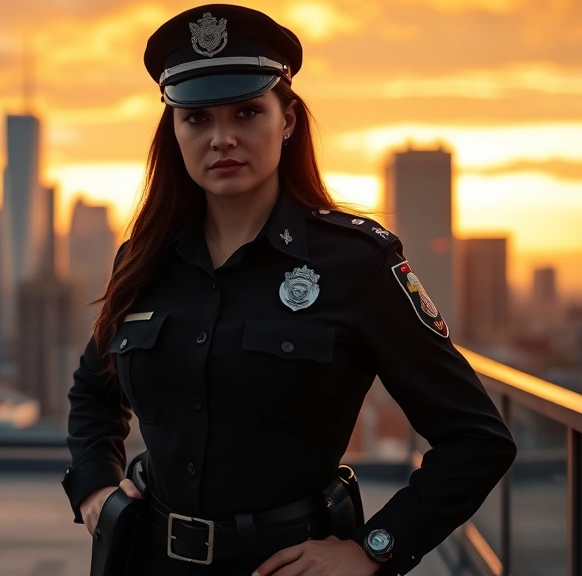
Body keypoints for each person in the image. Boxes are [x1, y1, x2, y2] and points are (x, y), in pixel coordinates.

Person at [61, 4, 517, 575]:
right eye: (196, 119)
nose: (222, 138)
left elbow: (477, 439)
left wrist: (372, 550)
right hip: (148, 561)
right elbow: (94, 392)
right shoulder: (143, 260)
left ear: (288, 120)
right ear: (173, 132)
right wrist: (95, 487)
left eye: (247, 111)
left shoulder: (356, 263)